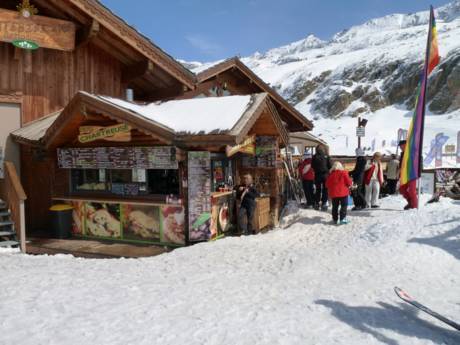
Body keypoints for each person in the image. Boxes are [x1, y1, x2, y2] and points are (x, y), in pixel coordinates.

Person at [398, 140, 418, 209]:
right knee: (402, 189)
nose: (400, 147)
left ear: (405, 145)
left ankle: (414, 206)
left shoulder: (412, 152)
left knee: (412, 190)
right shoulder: (402, 154)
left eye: (401, 145)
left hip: (412, 173)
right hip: (404, 174)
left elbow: (418, 161)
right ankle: (410, 202)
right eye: (400, 146)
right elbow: (401, 165)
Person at [312, 144, 332, 211]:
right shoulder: (326, 156)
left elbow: (312, 166)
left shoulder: (314, 156)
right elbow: (330, 165)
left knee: (318, 189)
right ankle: (324, 203)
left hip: (317, 175)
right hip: (325, 175)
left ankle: (317, 203)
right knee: (325, 189)